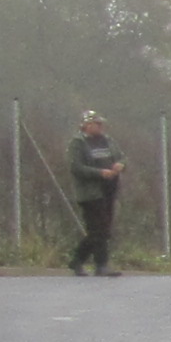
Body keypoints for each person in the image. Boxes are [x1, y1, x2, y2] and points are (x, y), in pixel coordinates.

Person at [65, 112, 127, 275]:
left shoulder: (108, 141)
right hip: (90, 193)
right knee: (98, 229)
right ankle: (101, 265)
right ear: (86, 125)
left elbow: (121, 158)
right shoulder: (78, 143)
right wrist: (99, 173)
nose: (100, 126)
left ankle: (77, 260)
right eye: (96, 124)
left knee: (103, 229)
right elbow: (76, 167)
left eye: (100, 124)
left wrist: (120, 165)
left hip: (109, 189)